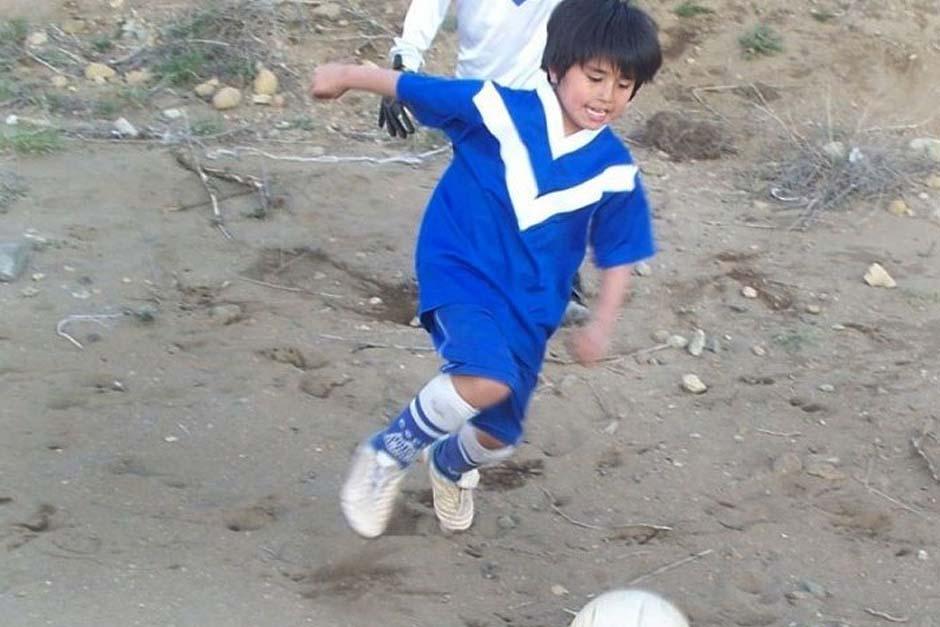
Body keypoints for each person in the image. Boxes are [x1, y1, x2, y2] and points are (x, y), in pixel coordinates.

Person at [310, 0, 662, 539]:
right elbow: (415, 88)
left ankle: (450, 465)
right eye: (595, 78)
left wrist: (601, 328)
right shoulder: (498, 107)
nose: (606, 96)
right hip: (460, 266)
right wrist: (345, 76)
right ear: (554, 67)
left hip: (531, 308)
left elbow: (619, 255)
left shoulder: (614, 171)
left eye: (623, 85)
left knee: (500, 435)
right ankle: (388, 452)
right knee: (485, 377)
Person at [378, 0, 593, 324]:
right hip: (476, 97)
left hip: (539, 94)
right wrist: (403, 65)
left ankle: (559, 289)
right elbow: (429, 7)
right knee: (478, 197)